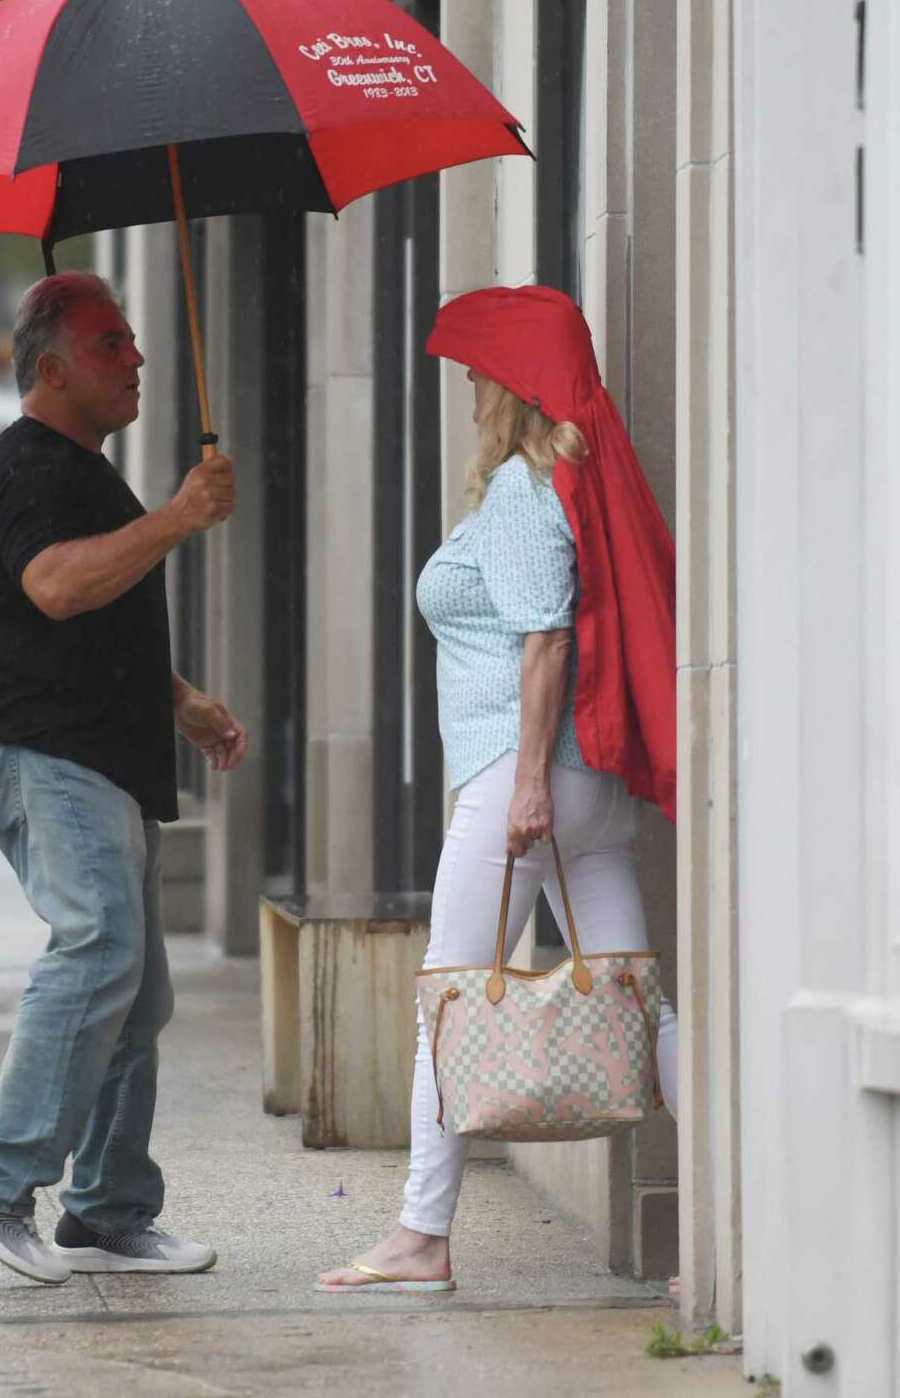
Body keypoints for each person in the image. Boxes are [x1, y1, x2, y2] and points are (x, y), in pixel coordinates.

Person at [318, 285, 678, 1293]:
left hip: (526, 784)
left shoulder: (527, 489)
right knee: (637, 997)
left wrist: (522, 788)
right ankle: (749, 1195)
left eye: (479, 368)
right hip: (588, 789)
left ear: (512, 383)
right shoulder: (568, 474)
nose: (470, 384)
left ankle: (420, 1236)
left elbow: (545, 639)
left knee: (449, 993)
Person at [0, 271, 247, 1285]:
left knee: (134, 997)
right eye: (114, 344)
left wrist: (181, 700)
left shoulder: (80, 472)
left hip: (102, 760)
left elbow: (95, 619)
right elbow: (58, 588)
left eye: (136, 339)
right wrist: (179, 518)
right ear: (53, 369)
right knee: (99, 950)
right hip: (51, 759)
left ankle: (106, 1212)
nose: (139, 358)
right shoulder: (30, 468)